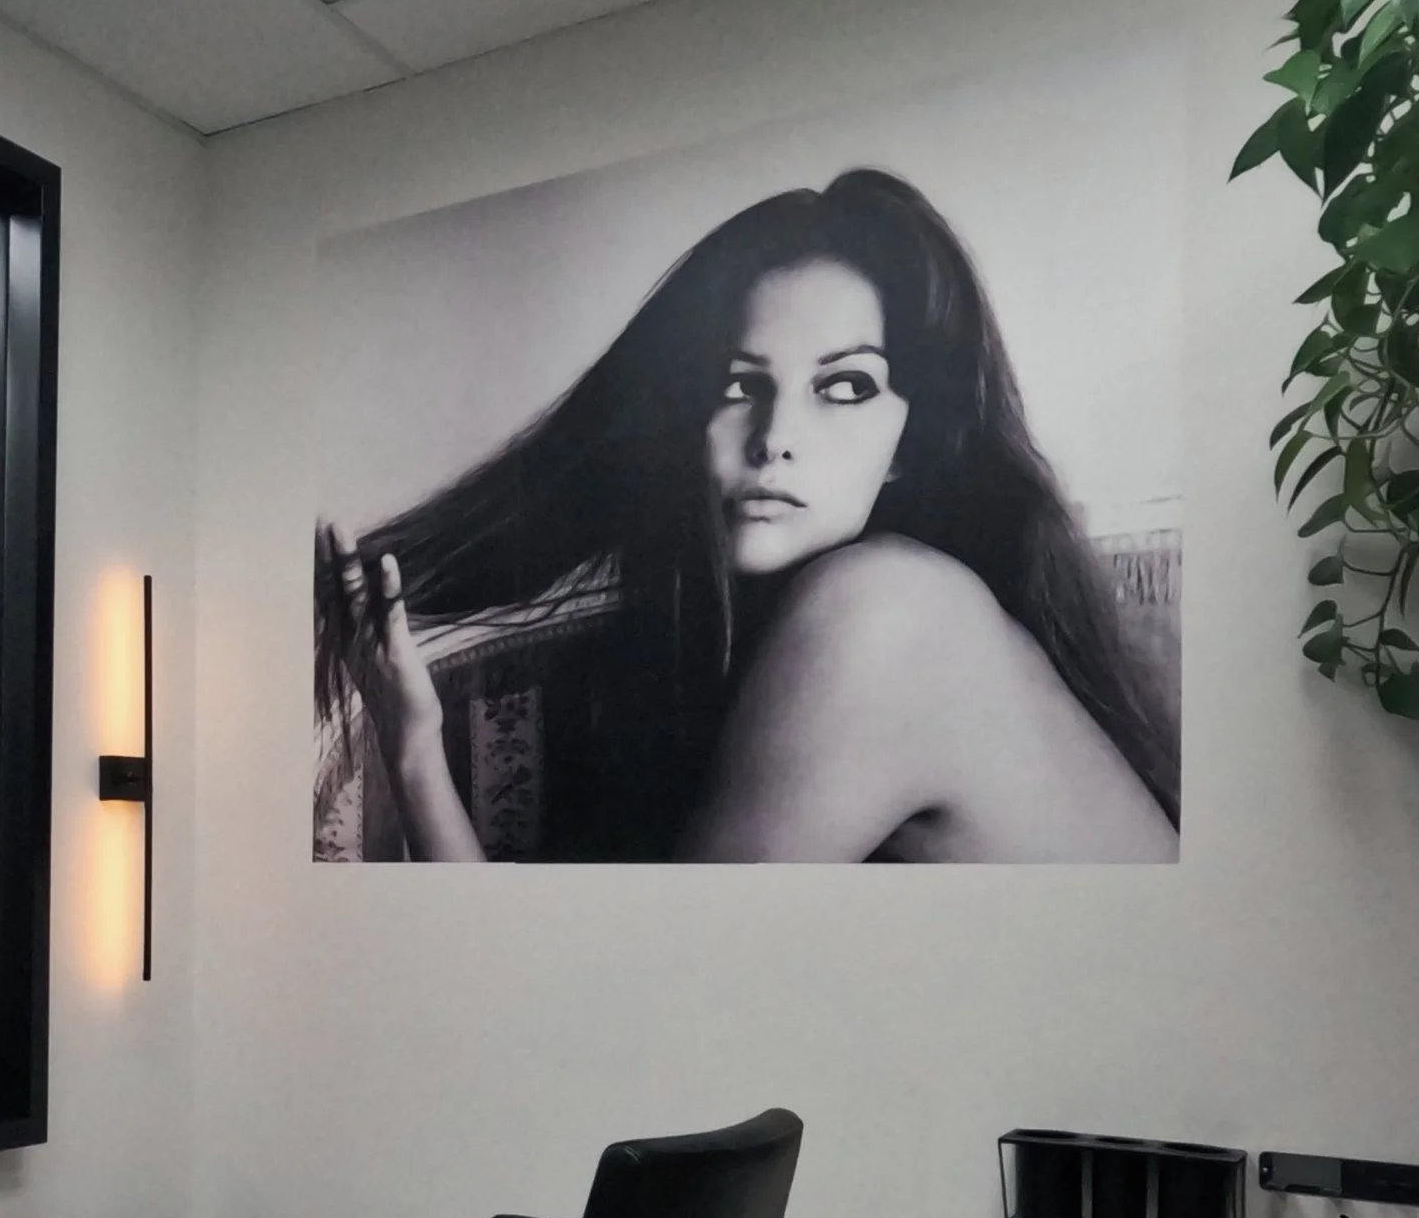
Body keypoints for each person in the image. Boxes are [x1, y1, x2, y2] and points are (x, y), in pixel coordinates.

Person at [317, 169, 1178, 864]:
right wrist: (413, 741)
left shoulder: (888, 613)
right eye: (739, 386)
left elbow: (633, 1004)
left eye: (844, 387)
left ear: (911, 442)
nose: (776, 440)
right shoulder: (754, 634)